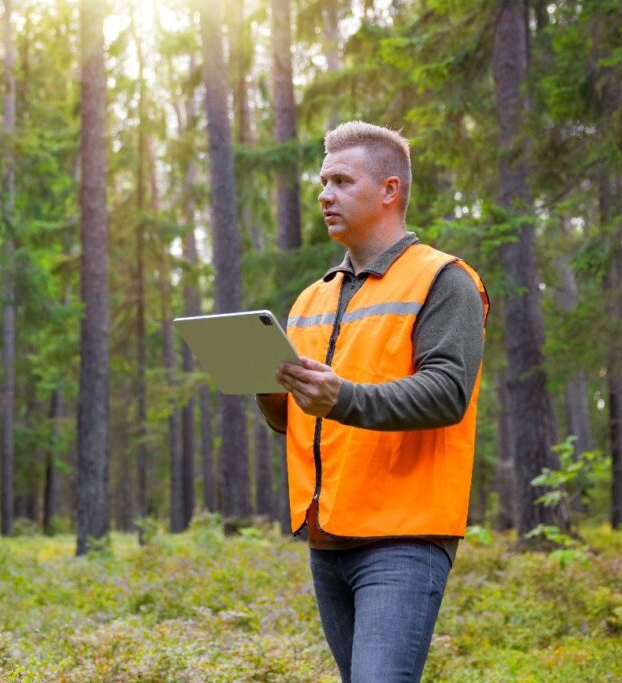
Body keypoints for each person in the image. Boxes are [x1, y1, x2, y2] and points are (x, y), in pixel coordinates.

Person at [256, 121, 488, 683]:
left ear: (389, 190)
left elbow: (448, 392)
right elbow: (295, 421)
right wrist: (267, 384)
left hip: (403, 538)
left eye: (341, 181)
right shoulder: (312, 297)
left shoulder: (444, 280)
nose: (324, 195)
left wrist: (341, 397)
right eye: (322, 182)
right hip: (326, 537)